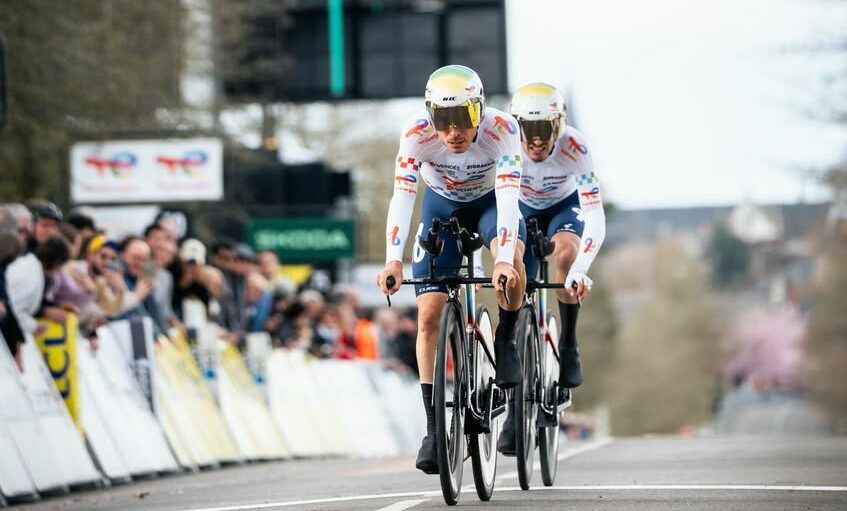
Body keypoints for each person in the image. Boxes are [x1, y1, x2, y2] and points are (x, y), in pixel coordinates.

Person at [376, 64, 526, 474]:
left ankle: (507, 336)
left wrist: (505, 257)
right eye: (443, 121)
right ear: (430, 117)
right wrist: (393, 257)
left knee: (511, 263)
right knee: (428, 315)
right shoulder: (415, 134)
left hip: (491, 204)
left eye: (462, 119)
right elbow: (403, 197)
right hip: (441, 206)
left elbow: (512, 199)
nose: (453, 132)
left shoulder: (503, 130)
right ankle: (433, 428)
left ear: (479, 111)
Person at [498, 83, 606, 455]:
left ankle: (568, 342)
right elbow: (501, 203)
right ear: (517, 126)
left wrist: (581, 269)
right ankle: (513, 411)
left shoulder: (576, 146)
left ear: (559, 126)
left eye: (547, 129)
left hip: (564, 208)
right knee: (514, 267)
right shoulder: (506, 144)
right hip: (522, 209)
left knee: (565, 255)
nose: (538, 140)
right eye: (530, 129)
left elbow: (595, 217)